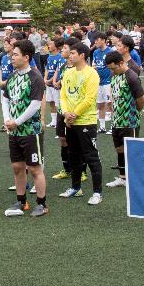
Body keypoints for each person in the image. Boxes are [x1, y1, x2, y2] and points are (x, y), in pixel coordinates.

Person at [2, 40, 49, 217]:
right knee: (17, 167)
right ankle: (21, 201)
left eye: (15, 54)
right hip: (14, 131)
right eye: (12, 54)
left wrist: (17, 122)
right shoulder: (13, 77)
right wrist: (7, 119)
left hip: (31, 131)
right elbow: (5, 99)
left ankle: (42, 203)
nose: (12, 57)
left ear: (26, 57)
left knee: (35, 168)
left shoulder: (35, 77)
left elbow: (35, 105)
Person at [60, 41, 103, 204]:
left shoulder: (91, 73)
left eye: (72, 53)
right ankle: (76, 187)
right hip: (70, 121)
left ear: (82, 55)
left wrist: (74, 114)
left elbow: (89, 98)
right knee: (73, 155)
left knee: (91, 157)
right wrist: (65, 114)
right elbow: (63, 95)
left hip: (86, 121)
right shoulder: (68, 73)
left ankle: (97, 192)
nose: (69, 56)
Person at [104, 50, 144, 188]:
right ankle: (122, 177)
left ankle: (134, 178)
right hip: (117, 121)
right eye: (110, 68)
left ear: (121, 63)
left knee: (131, 150)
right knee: (120, 149)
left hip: (130, 121)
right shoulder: (114, 75)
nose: (112, 70)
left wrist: (134, 112)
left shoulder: (131, 77)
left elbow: (141, 99)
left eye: (113, 67)